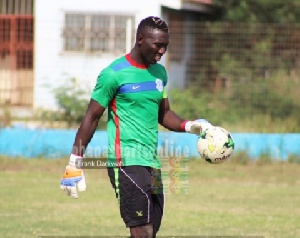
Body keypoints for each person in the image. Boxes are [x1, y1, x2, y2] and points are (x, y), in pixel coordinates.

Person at [60, 16, 212, 238]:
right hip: (125, 162)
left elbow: (164, 113)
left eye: (165, 46)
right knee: (142, 230)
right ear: (140, 40)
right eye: (157, 45)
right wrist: (75, 162)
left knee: (151, 230)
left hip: (152, 162)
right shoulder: (114, 74)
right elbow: (91, 117)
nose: (162, 51)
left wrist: (190, 126)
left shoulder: (159, 73)